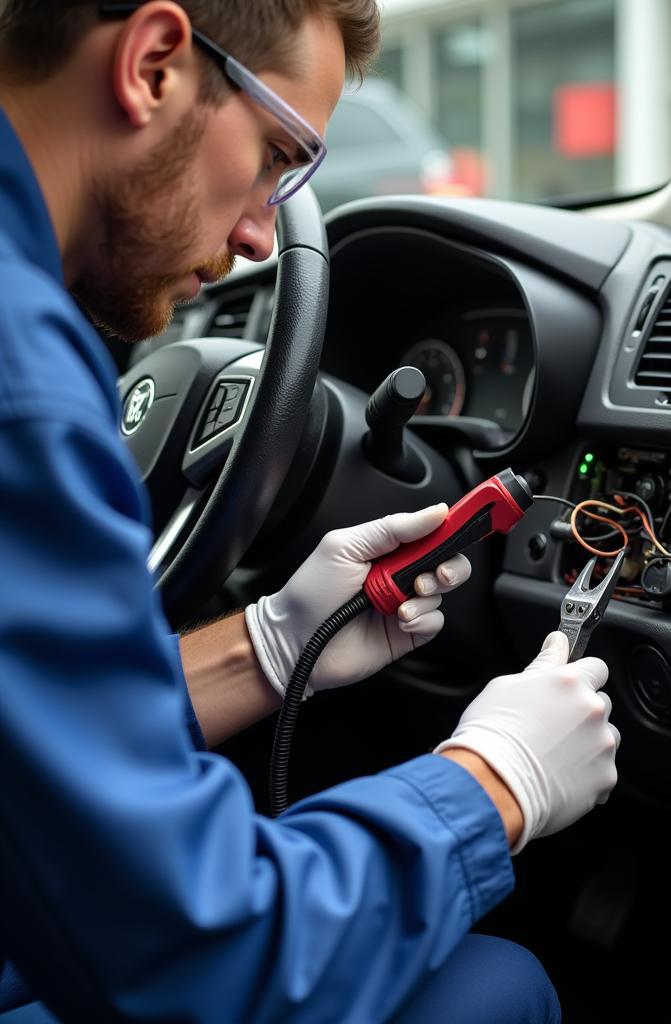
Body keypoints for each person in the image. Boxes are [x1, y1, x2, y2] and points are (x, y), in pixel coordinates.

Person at [0, 2, 620, 1022]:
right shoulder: (27, 392)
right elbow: (199, 953)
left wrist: (266, 644)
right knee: (497, 989)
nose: (256, 233)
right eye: (279, 153)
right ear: (154, 64)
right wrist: (494, 781)